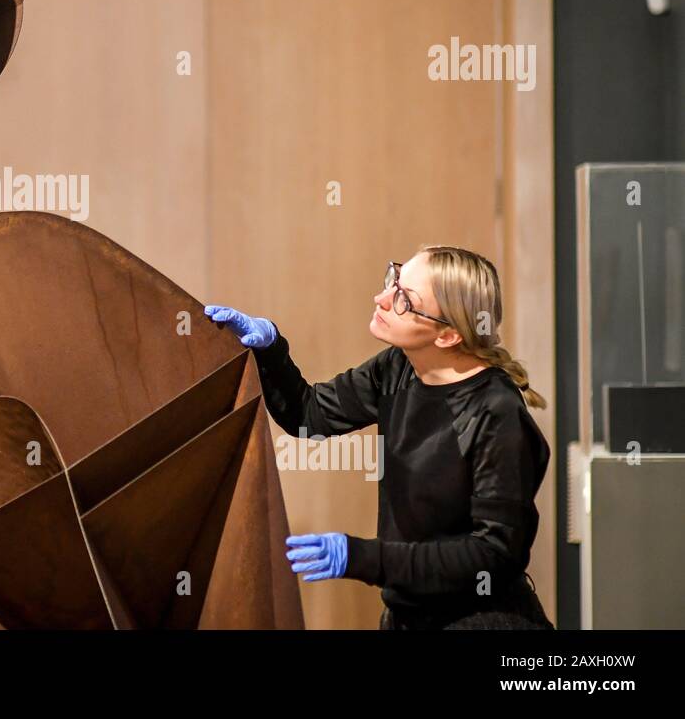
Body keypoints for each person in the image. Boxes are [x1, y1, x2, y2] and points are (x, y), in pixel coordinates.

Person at [205, 244, 554, 630]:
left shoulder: (496, 412)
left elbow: (493, 554)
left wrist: (363, 558)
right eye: (395, 279)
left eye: (404, 299)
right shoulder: (397, 368)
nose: (382, 298)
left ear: (448, 335)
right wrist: (271, 349)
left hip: (480, 622)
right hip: (408, 617)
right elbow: (310, 414)